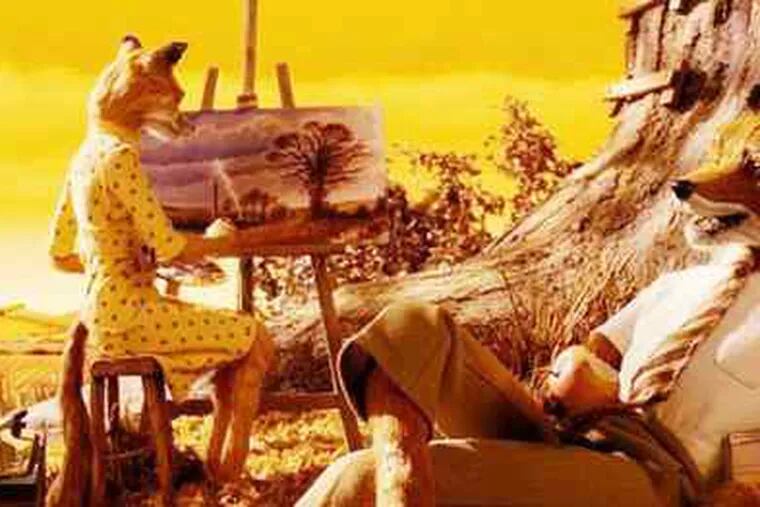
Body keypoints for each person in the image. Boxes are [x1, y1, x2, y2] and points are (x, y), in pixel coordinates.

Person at [297, 95, 760, 506]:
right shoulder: (681, 284)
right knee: (412, 324)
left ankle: (396, 490)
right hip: (577, 433)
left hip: (655, 476)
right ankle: (401, 472)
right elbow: (594, 353)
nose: (697, 185)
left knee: (356, 478)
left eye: (751, 174)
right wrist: (575, 368)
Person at [48, 36, 274, 484]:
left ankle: (217, 469)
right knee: (257, 339)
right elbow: (171, 246)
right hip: (130, 317)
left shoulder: (85, 155)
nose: (178, 115)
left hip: (105, 314)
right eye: (173, 101)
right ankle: (227, 474)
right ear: (139, 94)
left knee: (239, 342)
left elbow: (59, 255)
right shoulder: (119, 158)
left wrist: (118, 262)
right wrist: (221, 242)